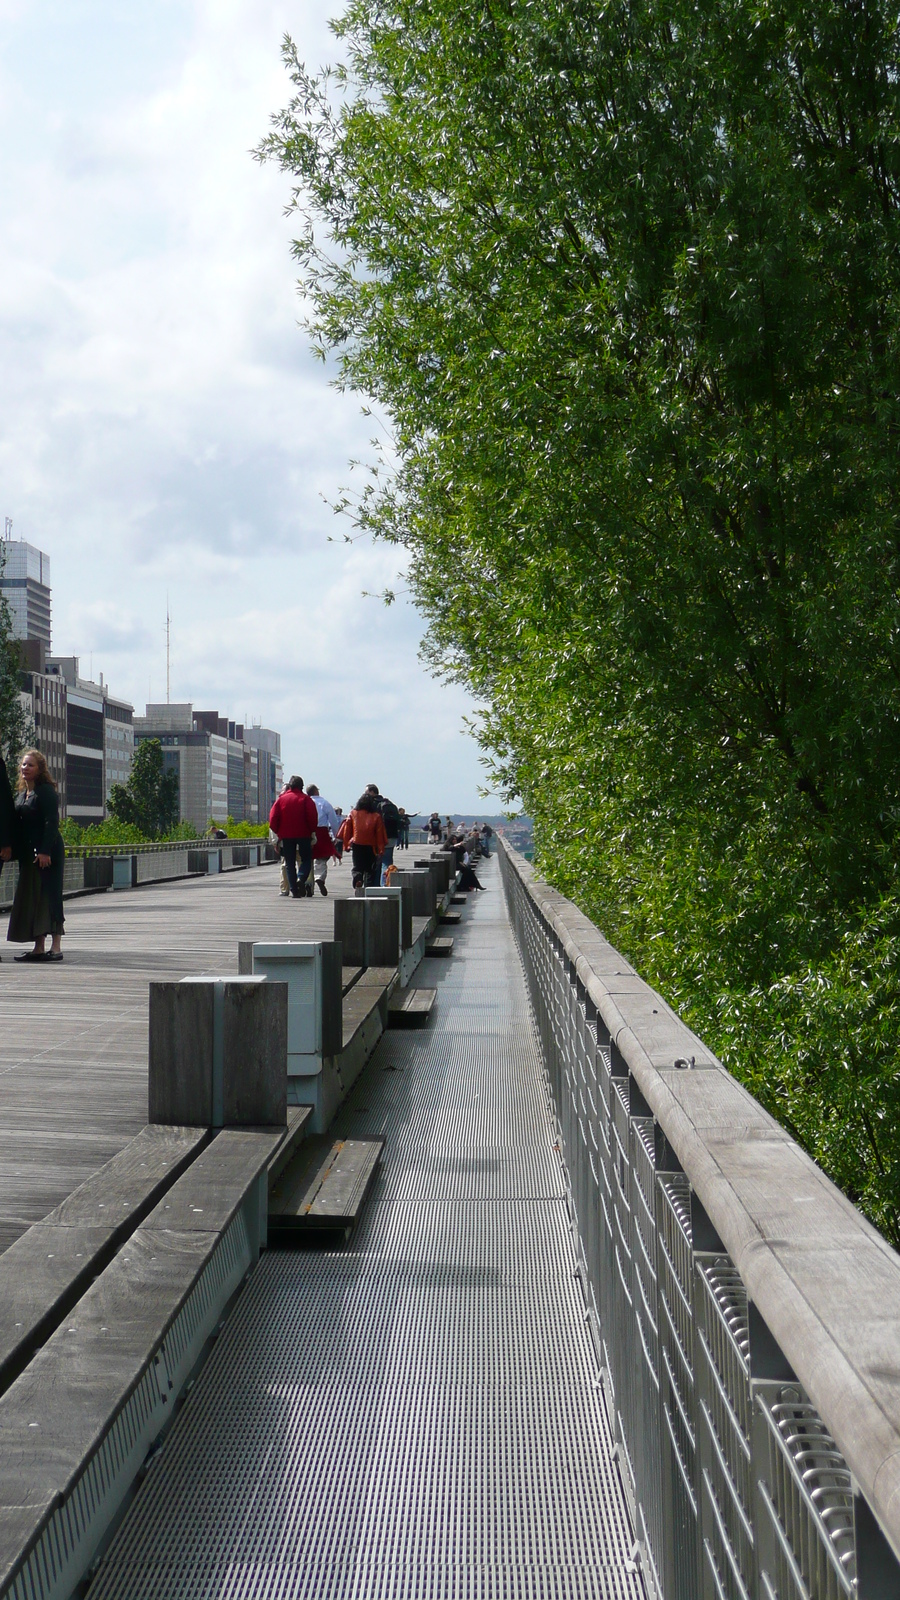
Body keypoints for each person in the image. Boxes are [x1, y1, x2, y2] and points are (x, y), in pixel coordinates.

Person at [8, 749, 65, 961]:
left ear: (40, 769)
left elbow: (52, 822)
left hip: (47, 852)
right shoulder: (23, 794)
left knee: (50, 895)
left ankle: (56, 947)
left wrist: (44, 851)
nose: (25, 768)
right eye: (23, 764)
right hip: (29, 855)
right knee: (34, 897)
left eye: (30, 765)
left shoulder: (46, 792)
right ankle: (38, 947)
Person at [268, 776, 318, 899]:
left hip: (286, 836)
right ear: (301, 786)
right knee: (306, 859)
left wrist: (278, 832)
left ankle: (294, 891)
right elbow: (312, 817)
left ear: (290, 786)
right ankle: (301, 878)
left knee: (289, 863)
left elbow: (273, 819)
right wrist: (311, 831)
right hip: (303, 834)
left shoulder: (281, 800)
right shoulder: (306, 800)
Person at [340, 793, 388, 895]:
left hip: (357, 843)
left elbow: (346, 831)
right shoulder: (376, 816)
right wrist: (381, 849)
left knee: (357, 866)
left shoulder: (353, 813)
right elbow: (379, 834)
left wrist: (346, 845)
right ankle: (368, 889)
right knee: (370, 869)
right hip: (371, 845)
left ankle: (358, 878)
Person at [306, 784, 340, 897]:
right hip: (322, 832)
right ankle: (319, 877)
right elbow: (333, 820)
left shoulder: (305, 802)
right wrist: (336, 835)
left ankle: (308, 884)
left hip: (307, 832)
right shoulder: (324, 803)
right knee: (322, 858)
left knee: (307, 859)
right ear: (316, 791)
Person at [365, 783, 401, 885]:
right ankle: (386, 885)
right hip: (392, 836)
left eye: (366, 792)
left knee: (377, 863)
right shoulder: (389, 803)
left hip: (380, 837)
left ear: (372, 792)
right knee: (387, 861)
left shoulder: (373, 804)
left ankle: (380, 886)